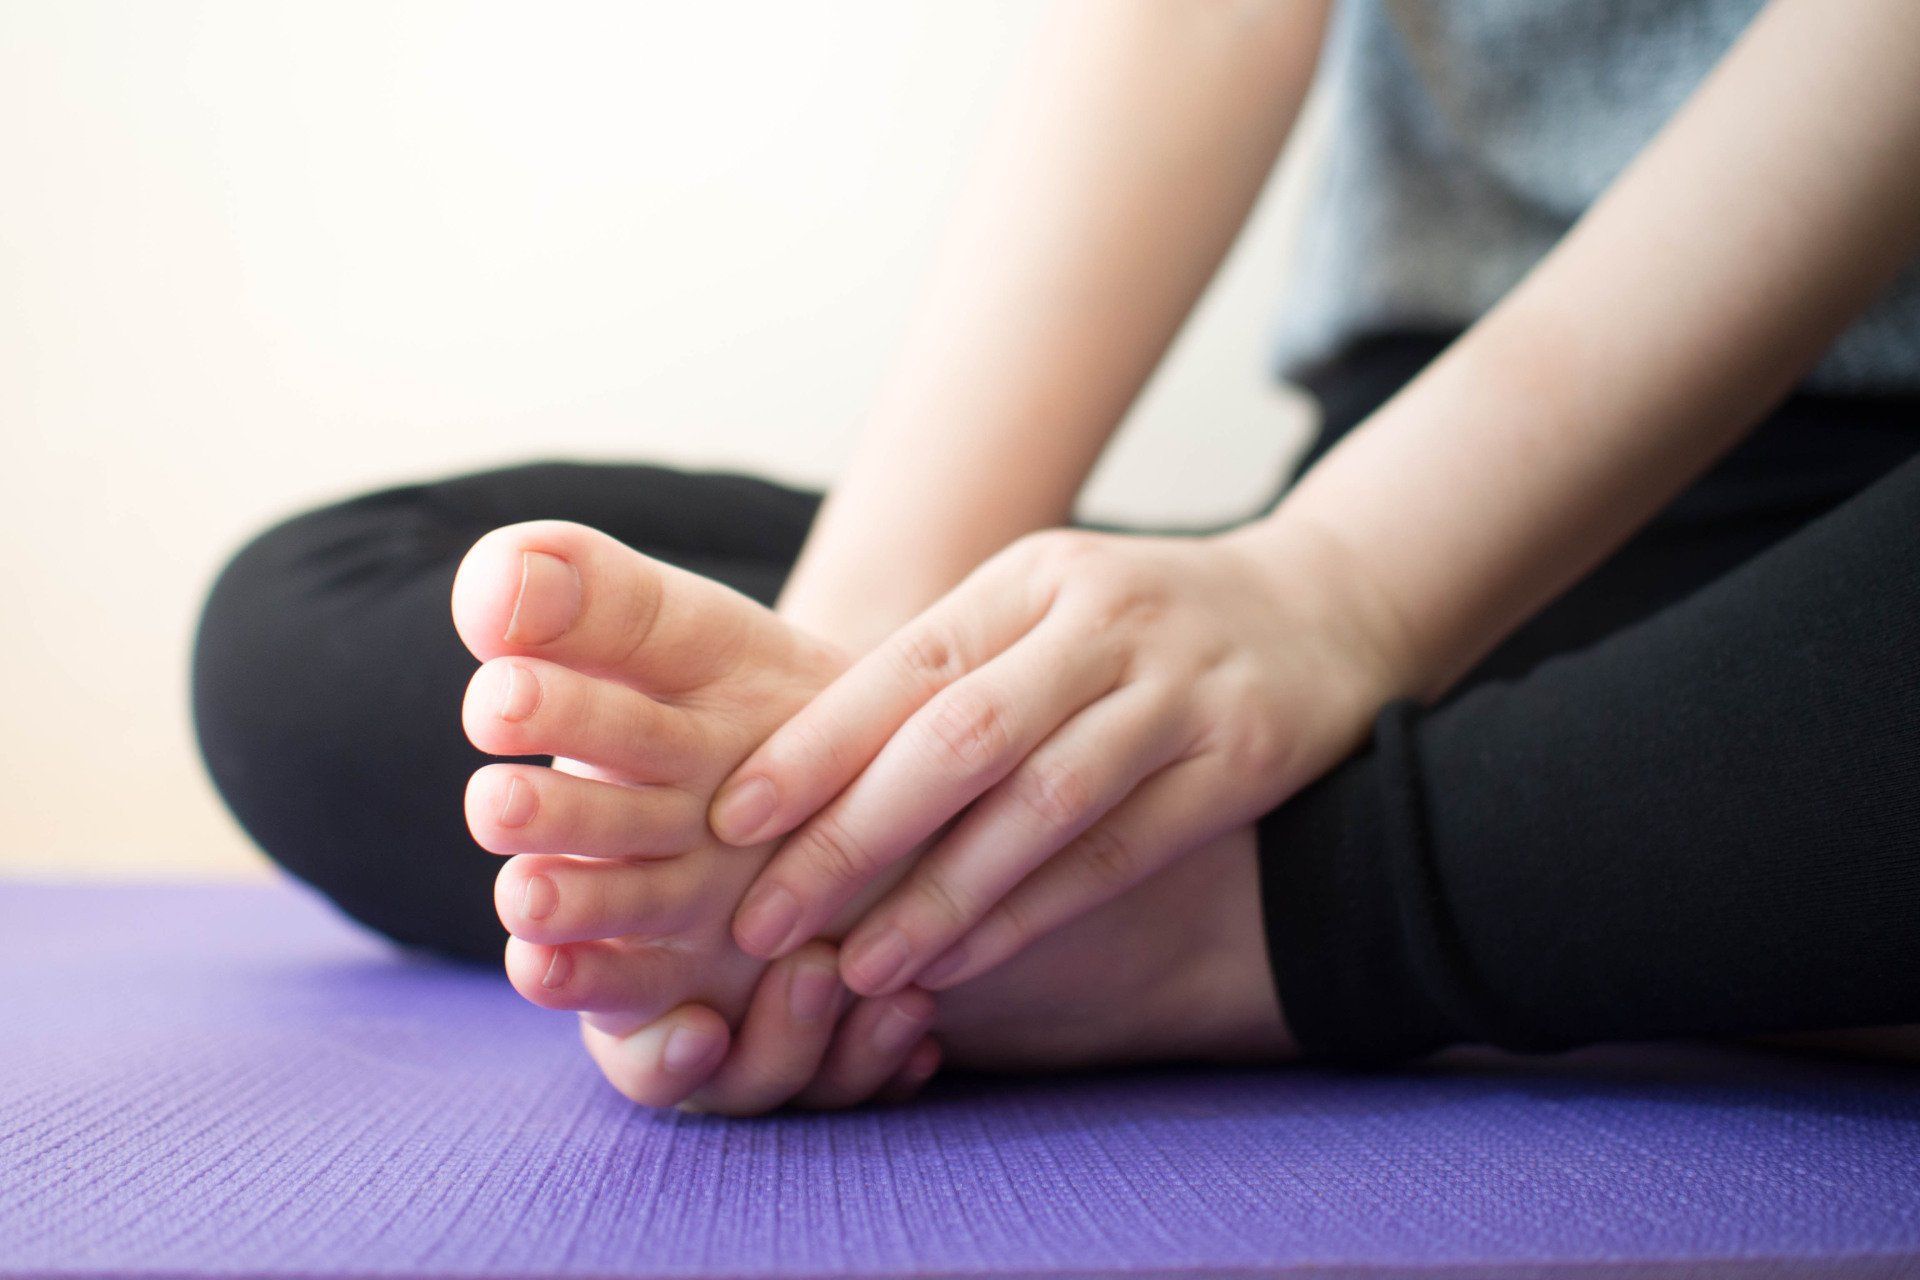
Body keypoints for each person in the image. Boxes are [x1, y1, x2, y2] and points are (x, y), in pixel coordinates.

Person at [194, 0, 1920, 1116]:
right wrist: (855, 730)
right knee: (313, 632)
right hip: (1432, 452)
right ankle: (1704, 915)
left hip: (1844, 550)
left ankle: (1228, 929)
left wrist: (1344, 586)